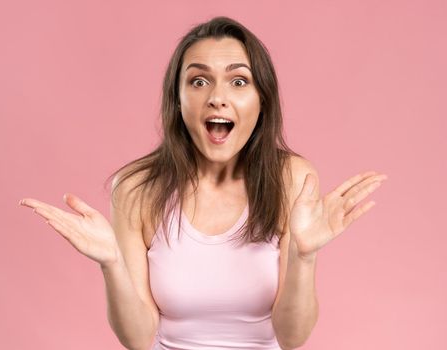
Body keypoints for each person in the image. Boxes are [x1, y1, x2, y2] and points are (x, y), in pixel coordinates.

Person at [19, 16, 387, 350]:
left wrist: (304, 256)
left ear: (262, 100)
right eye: (198, 81)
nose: (217, 98)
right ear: (178, 100)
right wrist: (110, 263)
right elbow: (137, 337)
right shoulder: (136, 188)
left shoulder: (292, 179)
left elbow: (292, 337)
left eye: (238, 81)